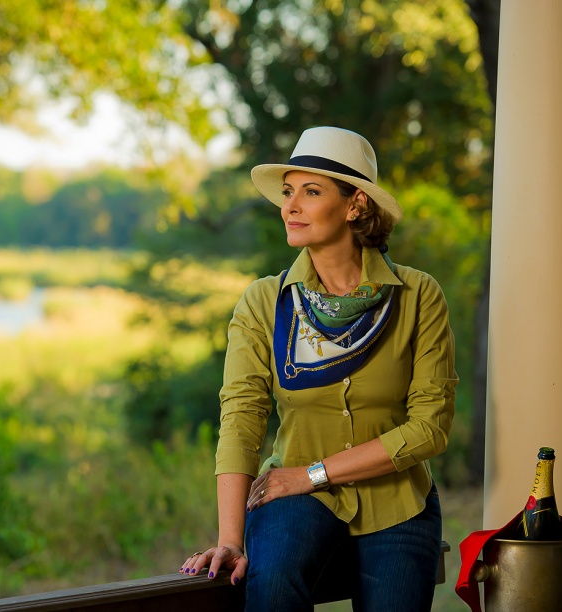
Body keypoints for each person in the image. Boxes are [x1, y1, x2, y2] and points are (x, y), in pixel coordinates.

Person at [179, 126, 457, 611]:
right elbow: (241, 417)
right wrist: (230, 538)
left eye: (311, 191)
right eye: (288, 192)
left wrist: (313, 473)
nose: (290, 206)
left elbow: (430, 429)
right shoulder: (264, 302)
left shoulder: (417, 295)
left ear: (355, 206)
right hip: (290, 498)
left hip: (396, 500)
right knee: (272, 587)